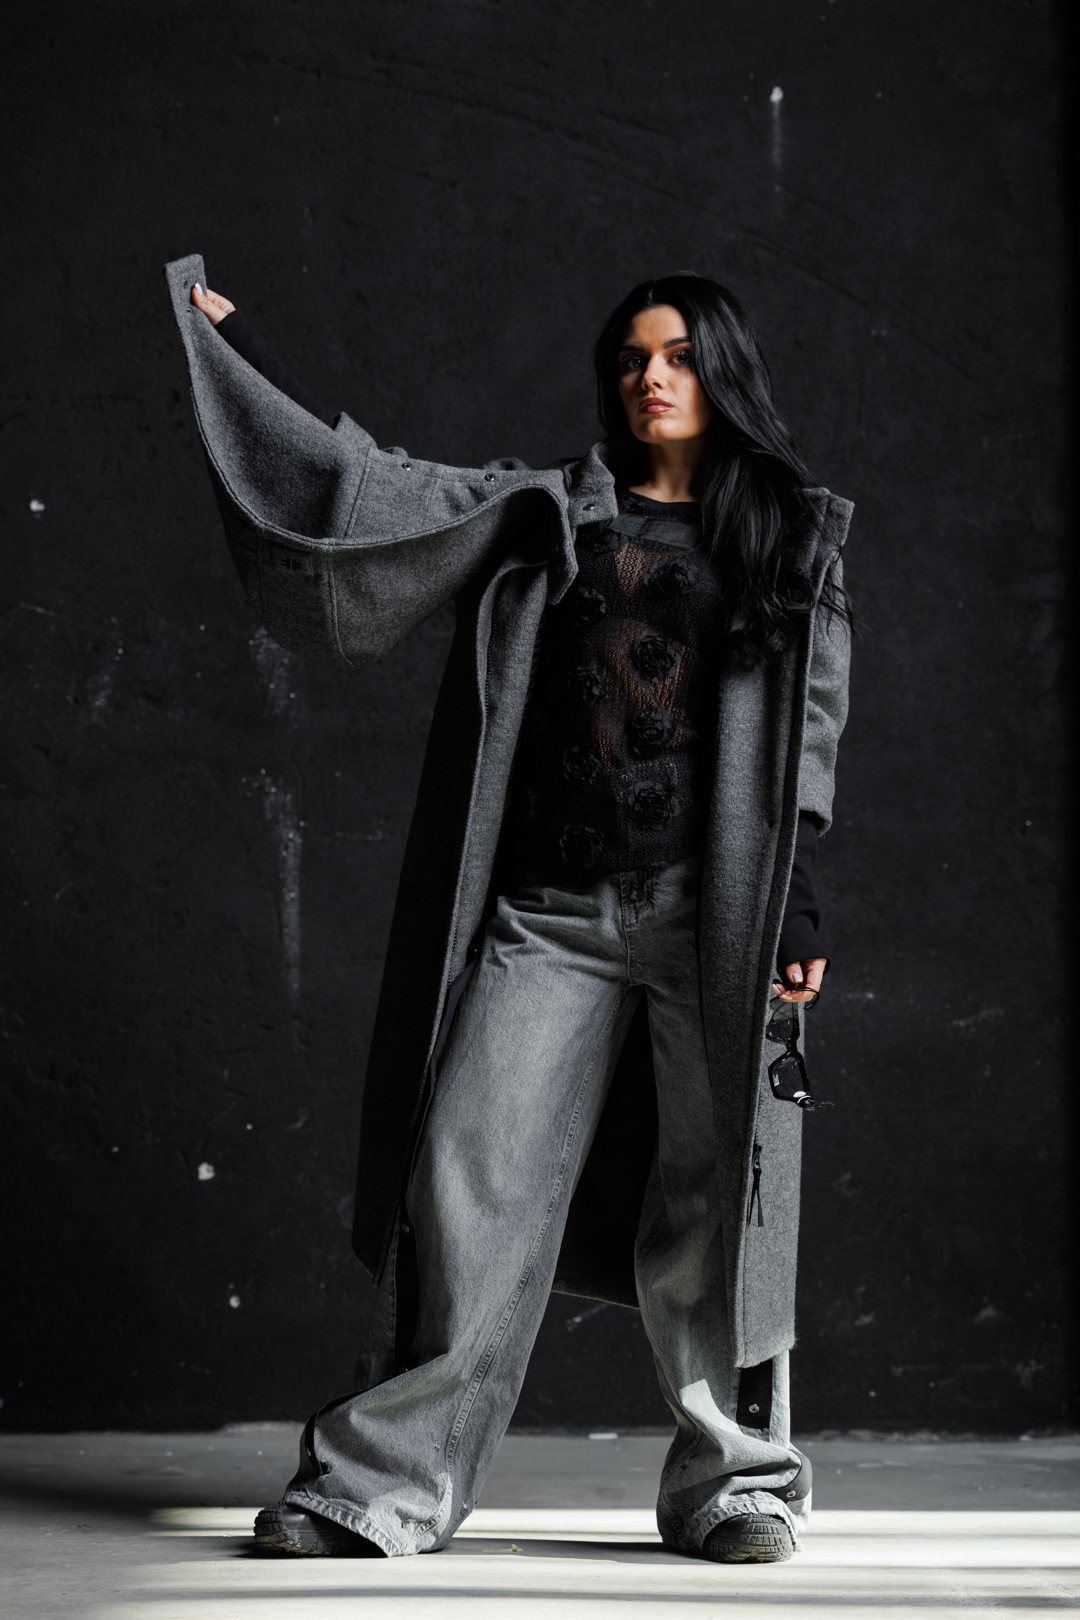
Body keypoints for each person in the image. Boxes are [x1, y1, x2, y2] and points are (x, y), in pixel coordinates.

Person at [166, 258, 853, 1565]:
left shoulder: (789, 539)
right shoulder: (550, 514)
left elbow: (804, 744)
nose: (652, 377)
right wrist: (237, 352)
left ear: (723, 373)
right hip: (552, 916)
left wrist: (797, 909)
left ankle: (736, 1482)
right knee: (467, 1182)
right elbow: (369, 496)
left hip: (715, 926)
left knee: (719, 1200)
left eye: (679, 355)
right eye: (632, 358)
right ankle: (385, 1483)